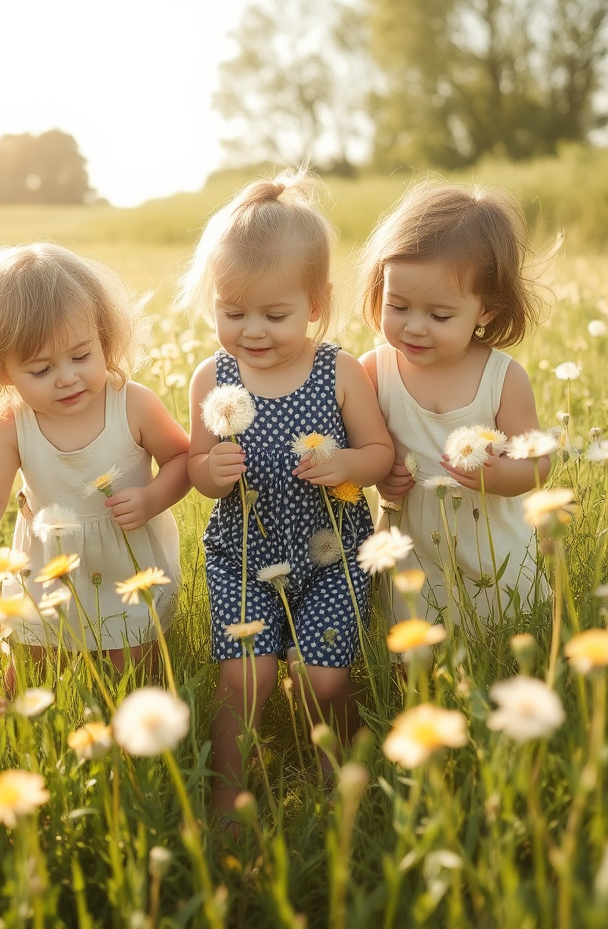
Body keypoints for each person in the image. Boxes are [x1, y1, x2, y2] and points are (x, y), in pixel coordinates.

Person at [181, 171, 394, 813]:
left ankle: (345, 770)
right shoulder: (212, 377)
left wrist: (347, 465)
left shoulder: (339, 371)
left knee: (323, 676)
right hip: (244, 554)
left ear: (316, 304)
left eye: (275, 315)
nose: (252, 330)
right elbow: (195, 468)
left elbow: (381, 455)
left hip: (331, 554)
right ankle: (228, 795)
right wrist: (210, 472)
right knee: (246, 676)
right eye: (232, 311)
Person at [0, 242, 190, 687]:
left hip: (125, 564)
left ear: (104, 338)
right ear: (2, 372)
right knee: (30, 669)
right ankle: (19, 726)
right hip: (46, 565)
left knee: (134, 672)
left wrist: (151, 498)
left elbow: (183, 459)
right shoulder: (13, 421)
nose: (67, 377)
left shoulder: (132, 404)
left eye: (81, 356)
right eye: (40, 370)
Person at [358, 180, 551, 627]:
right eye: (398, 306)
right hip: (410, 553)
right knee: (411, 651)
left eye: (439, 315)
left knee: (497, 638)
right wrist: (379, 472)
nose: (415, 327)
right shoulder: (375, 370)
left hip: (489, 545)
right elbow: (362, 447)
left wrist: (501, 474)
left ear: (486, 311)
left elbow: (539, 462)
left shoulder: (502, 379)